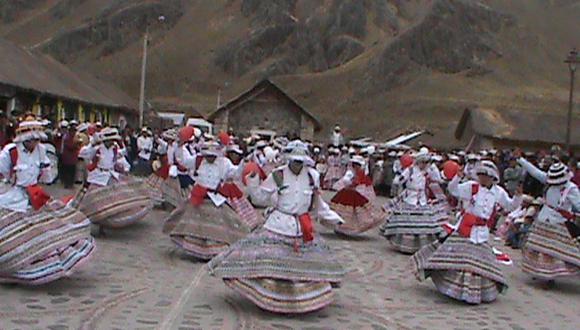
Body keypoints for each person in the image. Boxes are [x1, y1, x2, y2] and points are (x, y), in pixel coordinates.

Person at [208, 141, 345, 314]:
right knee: (265, 260)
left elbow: (318, 204)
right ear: (288, 159)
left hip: (302, 227)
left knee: (307, 265)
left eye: (300, 161)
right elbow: (260, 198)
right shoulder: (277, 175)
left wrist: (334, 219)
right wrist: (253, 184)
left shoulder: (312, 176)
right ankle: (269, 298)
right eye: (295, 161)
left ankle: (303, 300)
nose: (297, 164)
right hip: (278, 224)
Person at [0, 116, 94, 285]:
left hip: (35, 195)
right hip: (13, 196)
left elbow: (47, 174)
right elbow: (3, 173)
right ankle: (15, 264)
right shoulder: (11, 151)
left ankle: (39, 263)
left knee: (44, 228)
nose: (34, 143)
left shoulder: (41, 151)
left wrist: (41, 179)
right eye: (31, 140)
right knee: (14, 231)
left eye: (37, 139)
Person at [411, 160, 522, 304]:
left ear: (492, 178)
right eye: (481, 174)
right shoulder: (472, 187)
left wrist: (518, 197)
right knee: (458, 257)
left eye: (486, 176)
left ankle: (471, 292)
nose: (482, 178)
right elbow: (453, 190)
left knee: (478, 263)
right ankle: (451, 286)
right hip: (465, 228)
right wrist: (457, 177)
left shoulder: (498, 192)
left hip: (481, 232)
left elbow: (509, 205)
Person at [517, 155, 580, 284]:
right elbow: (535, 172)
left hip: (558, 221)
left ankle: (549, 276)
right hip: (544, 219)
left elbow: (579, 205)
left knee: (552, 251)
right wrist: (521, 160)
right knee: (539, 248)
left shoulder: (571, 189)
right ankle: (539, 271)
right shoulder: (550, 180)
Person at [76, 127, 153, 231]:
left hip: (110, 175)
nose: (111, 142)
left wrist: (126, 167)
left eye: (113, 140)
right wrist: (92, 144)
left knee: (111, 200)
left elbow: (120, 159)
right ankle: (90, 221)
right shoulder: (97, 148)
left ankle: (104, 224)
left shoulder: (115, 148)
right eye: (110, 141)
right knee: (94, 201)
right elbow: (82, 153)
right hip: (97, 177)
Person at [381, 150, 449, 253]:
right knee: (406, 222)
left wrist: (433, 168)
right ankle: (404, 245)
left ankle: (421, 246)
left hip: (421, 199)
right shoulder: (410, 170)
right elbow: (397, 181)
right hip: (409, 199)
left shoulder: (427, 171)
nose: (424, 164)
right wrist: (402, 181)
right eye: (423, 162)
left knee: (424, 222)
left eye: (426, 162)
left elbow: (438, 179)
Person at [324, 155, 384, 236]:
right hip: (348, 193)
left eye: (356, 164)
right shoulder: (352, 173)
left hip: (353, 194)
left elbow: (359, 184)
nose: (355, 166)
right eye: (354, 164)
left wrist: (351, 185)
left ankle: (347, 228)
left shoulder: (360, 174)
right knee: (346, 211)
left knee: (353, 212)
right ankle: (342, 227)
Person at [60, 121, 80, 189]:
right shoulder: (67, 137)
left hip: (72, 158)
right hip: (68, 157)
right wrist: (76, 145)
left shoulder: (75, 137)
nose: (74, 132)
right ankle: (67, 184)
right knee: (68, 171)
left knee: (72, 171)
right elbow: (69, 146)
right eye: (73, 131)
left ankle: (70, 184)